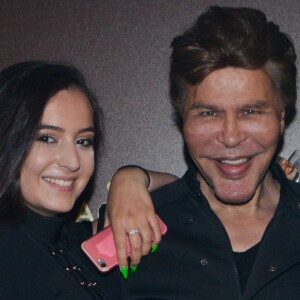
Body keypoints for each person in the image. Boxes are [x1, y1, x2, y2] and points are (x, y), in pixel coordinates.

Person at [101, 5, 300, 299]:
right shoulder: (126, 235)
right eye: (208, 113)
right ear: (183, 119)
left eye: (250, 111)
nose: (231, 137)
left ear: (282, 116)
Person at [0, 60, 177, 299]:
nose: (72, 161)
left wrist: (129, 179)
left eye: (83, 141)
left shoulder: (78, 242)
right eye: (47, 138)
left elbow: (178, 191)